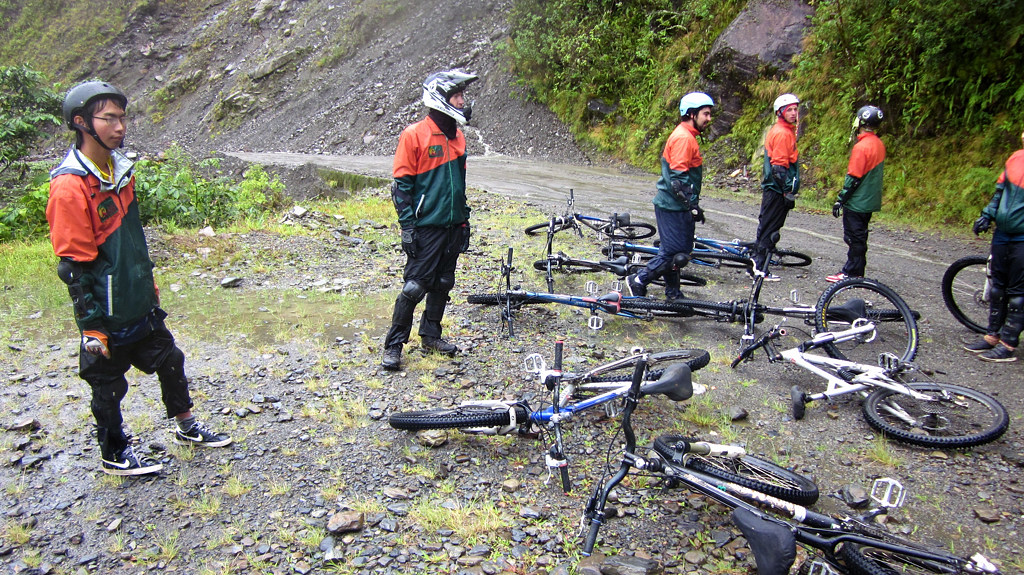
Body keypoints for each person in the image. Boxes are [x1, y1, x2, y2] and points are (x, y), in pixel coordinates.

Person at [46, 81, 232, 476]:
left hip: (138, 299)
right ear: (80, 123)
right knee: (107, 385)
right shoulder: (70, 186)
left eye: (122, 117)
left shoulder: (119, 171)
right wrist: (91, 326)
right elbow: (73, 269)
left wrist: (147, 284)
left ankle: (187, 427)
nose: (119, 127)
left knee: (170, 359)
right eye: (108, 118)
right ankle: (114, 453)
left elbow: (132, 243)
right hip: (105, 314)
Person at [381, 69, 477, 371]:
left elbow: (458, 184)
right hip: (426, 226)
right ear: (440, 99)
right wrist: (408, 227)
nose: (463, 101)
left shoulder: (458, 136)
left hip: (452, 224)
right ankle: (394, 345)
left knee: (443, 283)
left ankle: (430, 335)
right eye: (457, 96)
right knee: (415, 287)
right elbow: (401, 188)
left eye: (462, 95)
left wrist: (464, 220)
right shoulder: (414, 135)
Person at [628, 92, 713, 300]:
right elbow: (677, 180)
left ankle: (673, 292)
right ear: (692, 114)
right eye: (706, 114)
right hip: (673, 206)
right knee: (675, 253)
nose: (709, 119)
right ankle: (639, 280)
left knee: (676, 252)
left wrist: (691, 205)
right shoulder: (684, 138)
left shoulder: (687, 136)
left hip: (676, 205)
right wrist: (691, 204)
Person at [964, 129, 1024, 362]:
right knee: (997, 287)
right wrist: (987, 215)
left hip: (1021, 238)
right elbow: (1000, 192)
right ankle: (992, 336)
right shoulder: (1016, 158)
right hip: (1003, 233)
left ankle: (1008, 345)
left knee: (1018, 294)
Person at [828, 105, 886, 283]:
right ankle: (858, 270)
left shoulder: (861, 147)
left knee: (853, 236)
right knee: (861, 235)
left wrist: (841, 199)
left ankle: (852, 272)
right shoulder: (878, 144)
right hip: (870, 200)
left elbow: (853, 177)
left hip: (858, 201)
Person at [752, 93, 801, 281]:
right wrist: (787, 192)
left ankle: (760, 262)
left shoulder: (786, 131)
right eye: (789, 110)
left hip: (776, 189)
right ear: (780, 112)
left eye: (795, 109)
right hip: (776, 190)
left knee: (770, 226)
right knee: (769, 228)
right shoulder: (781, 133)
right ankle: (759, 267)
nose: (794, 112)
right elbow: (779, 168)